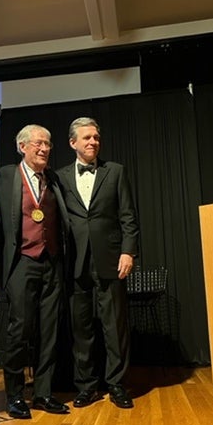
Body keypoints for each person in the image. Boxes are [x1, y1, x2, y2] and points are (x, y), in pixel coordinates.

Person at [57, 117, 139, 409]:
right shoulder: (60, 177)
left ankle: (117, 385)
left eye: (96, 138)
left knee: (114, 327)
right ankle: (87, 386)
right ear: (73, 143)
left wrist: (128, 252)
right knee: (81, 329)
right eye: (87, 138)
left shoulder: (115, 172)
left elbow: (128, 216)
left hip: (111, 260)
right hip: (75, 264)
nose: (93, 142)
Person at [0, 124, 70, 419]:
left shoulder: (52, 180)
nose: (44, 148)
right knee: (19, 331)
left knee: (49, 332)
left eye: (48, 144)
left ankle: (43, 393)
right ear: (22, 146)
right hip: (22, 263)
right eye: (38, 143)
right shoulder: (4, 177)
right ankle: (14, 396)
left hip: (51, 263)